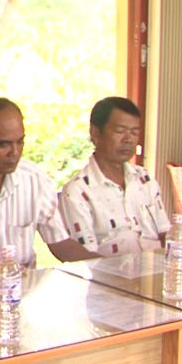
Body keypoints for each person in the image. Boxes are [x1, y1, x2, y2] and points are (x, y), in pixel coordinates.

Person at [0, 98, 97, 274]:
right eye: (3, 145)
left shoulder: (34, 179)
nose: (15, 152)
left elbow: (60, 242)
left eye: (20, 142)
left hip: (23, 285)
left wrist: (104, 267)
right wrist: (4, 274)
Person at [59, 97, 171, 256]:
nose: (128, 139)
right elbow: (85, 258)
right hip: (110, 270)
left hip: (156, 266)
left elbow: (165, 232)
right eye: (120, 131)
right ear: (95, 134)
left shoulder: (144, 179)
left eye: (134, 132)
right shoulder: (77, 192)